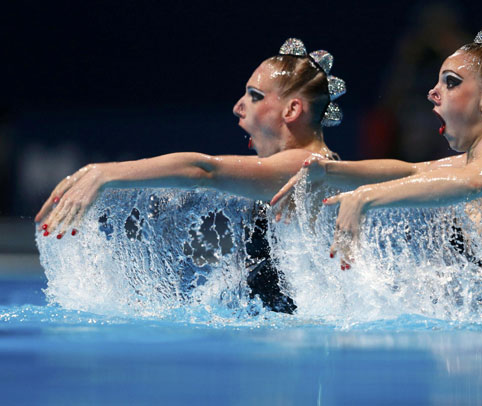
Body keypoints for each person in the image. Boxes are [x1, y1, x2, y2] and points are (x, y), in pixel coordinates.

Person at [34, 38, 346, 313]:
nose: (238, 107)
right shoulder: (305, 166)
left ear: (292, 111)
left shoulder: (308, 167)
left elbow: (203, 170)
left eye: (254, 95)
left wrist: (104, 173)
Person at [272, 27, 482, 292]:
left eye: (450, 83)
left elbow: (473, 182)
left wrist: (365, 198)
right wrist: (328, 170)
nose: (432, 93)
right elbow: (411, 171)